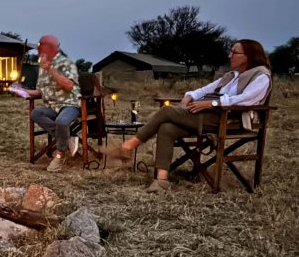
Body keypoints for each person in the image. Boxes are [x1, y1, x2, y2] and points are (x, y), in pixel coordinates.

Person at [107, 39, 272, 193]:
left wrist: (212, 103)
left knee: (166, 111)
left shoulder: (261, 76)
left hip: (226, 119)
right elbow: (204, 90)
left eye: (234, 52)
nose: (230, 55)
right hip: (204, 114)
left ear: (248, 56)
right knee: (167, 127)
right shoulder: (232, 76)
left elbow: (245, 99)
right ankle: (161, 180)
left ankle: (127, 147)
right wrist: (188, 97)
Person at [25, 35, 81, 172]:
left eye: (41, 46)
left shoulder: (67, 64)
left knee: (61, 122)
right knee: (36, 113)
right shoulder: (42, 68)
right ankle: (67, 138)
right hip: (53, 107)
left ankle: (60, 154)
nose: (38, 49)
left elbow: (68, 86)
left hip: (70, 105)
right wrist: (23, 92)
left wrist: (51, 70)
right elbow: (41, 92)